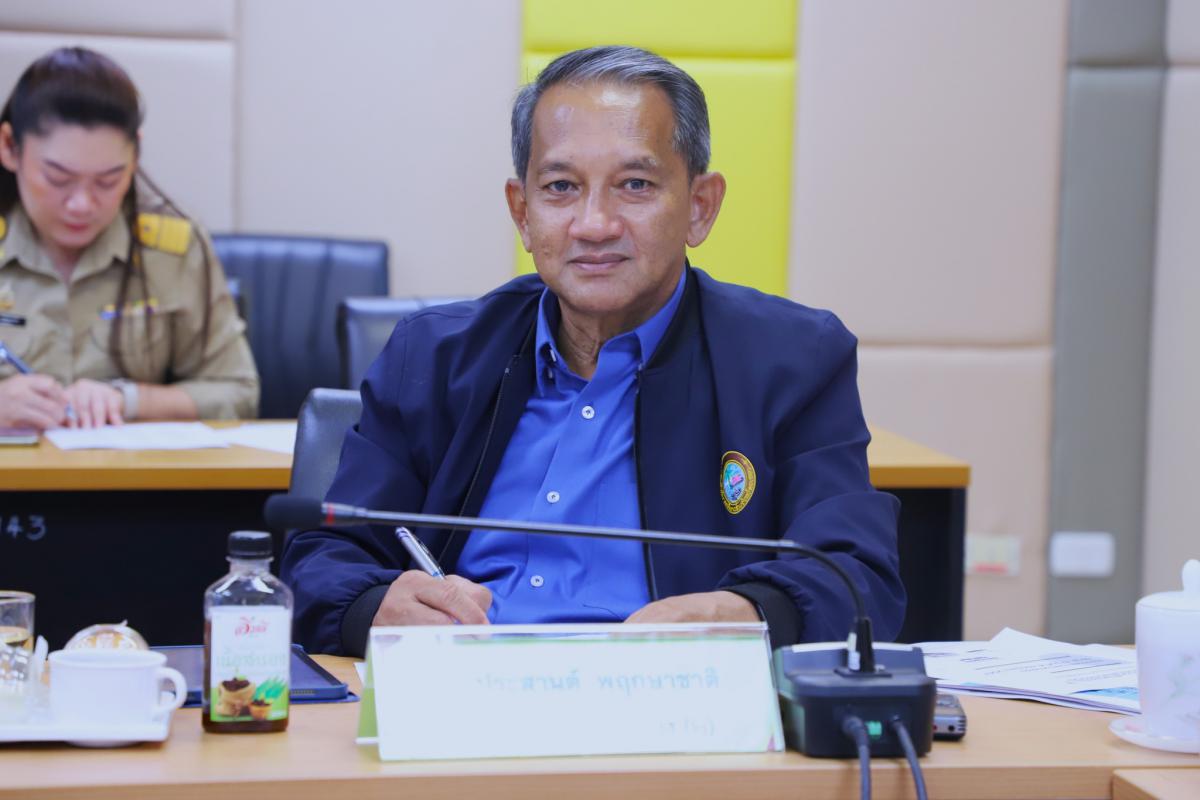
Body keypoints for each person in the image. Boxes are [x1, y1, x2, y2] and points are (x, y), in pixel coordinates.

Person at [282, 46, 903, 657]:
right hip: (464, 692)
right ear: (522, 213)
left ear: (700, 207)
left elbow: (856, 575)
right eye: (561, 187)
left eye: (635, 185)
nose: (594, 224)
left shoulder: (791, 360)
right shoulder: (434, 356)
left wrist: (747, 612)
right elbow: (321, 556)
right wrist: (374, 606)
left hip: (669, 697)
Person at [0, 47, 258, 430]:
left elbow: (237, 392)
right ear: (9, 147)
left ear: (135, 156)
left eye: (107, 181)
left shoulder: (174, 249)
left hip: (131, 469)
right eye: (58, 178)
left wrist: (131, 400)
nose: (82, 204)